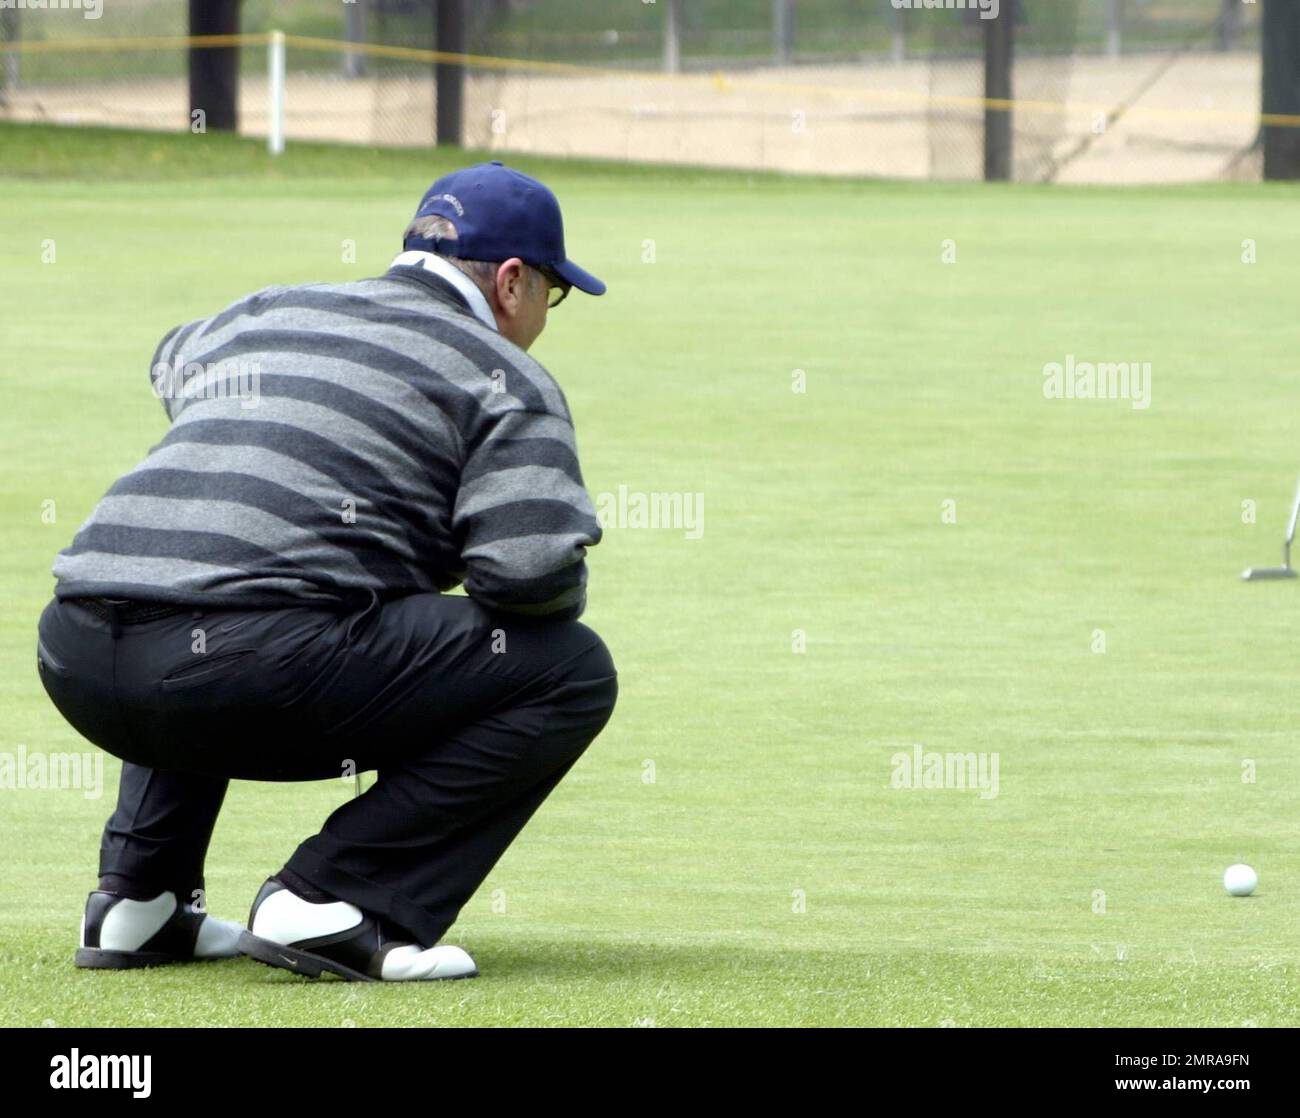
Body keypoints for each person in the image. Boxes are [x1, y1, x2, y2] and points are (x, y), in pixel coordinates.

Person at [36, 161, 619, 982]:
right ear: (513, 282)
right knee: (567, 670)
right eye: (552, 297)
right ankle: (339, 900)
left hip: (74, 650)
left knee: (219, 574)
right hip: (239, 668)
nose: (542, 320)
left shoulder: (268, 310)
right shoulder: (503, 374)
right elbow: (527, 577)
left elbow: (173, 362)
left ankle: (142, 903)